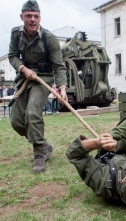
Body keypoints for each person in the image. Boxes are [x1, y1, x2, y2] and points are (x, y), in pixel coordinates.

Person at [8, 0, 68, 174]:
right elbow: (12, 56)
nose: (32, 19)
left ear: (40, 17)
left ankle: (39, 155)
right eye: (28, 16)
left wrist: (62, 88)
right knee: (16, 121)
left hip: (43, 80)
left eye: (36, 16)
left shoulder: (49, 38)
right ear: (22, 17)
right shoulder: (15, 34)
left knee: (33, 113)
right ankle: (43, 145)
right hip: (24, 79)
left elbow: (59, 65)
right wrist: (22, 68)